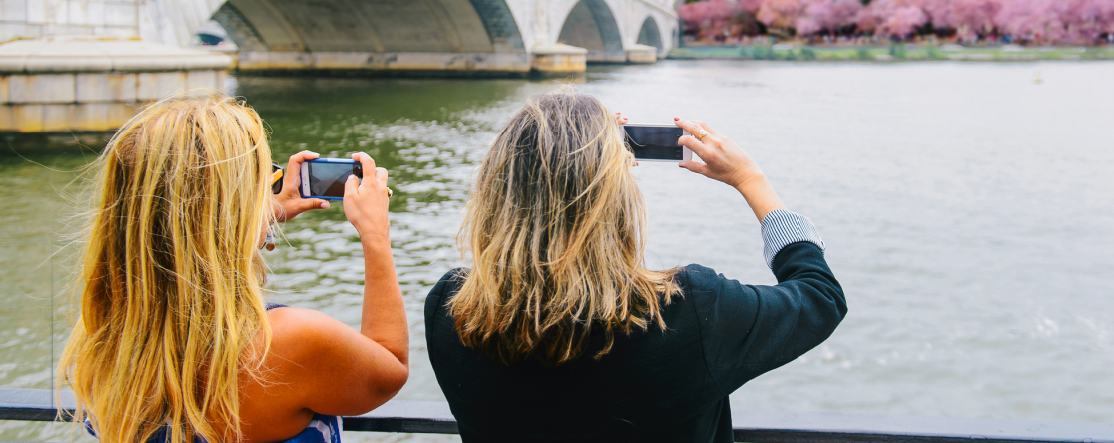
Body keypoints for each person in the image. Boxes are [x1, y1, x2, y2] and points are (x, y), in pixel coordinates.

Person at [424, 89, 847, 442]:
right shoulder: (689, 312)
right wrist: (752, 180)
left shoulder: (449, 309)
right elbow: (820, 296)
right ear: (618, 198)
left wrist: (582, 157)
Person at [59, 93, 409, 443]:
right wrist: (375, 235)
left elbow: (178, 245)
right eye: (263, 181)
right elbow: (390, 367)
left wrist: (258, 221)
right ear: (234, 211)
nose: (271, 188)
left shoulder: (101, 343)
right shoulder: (287, 343)